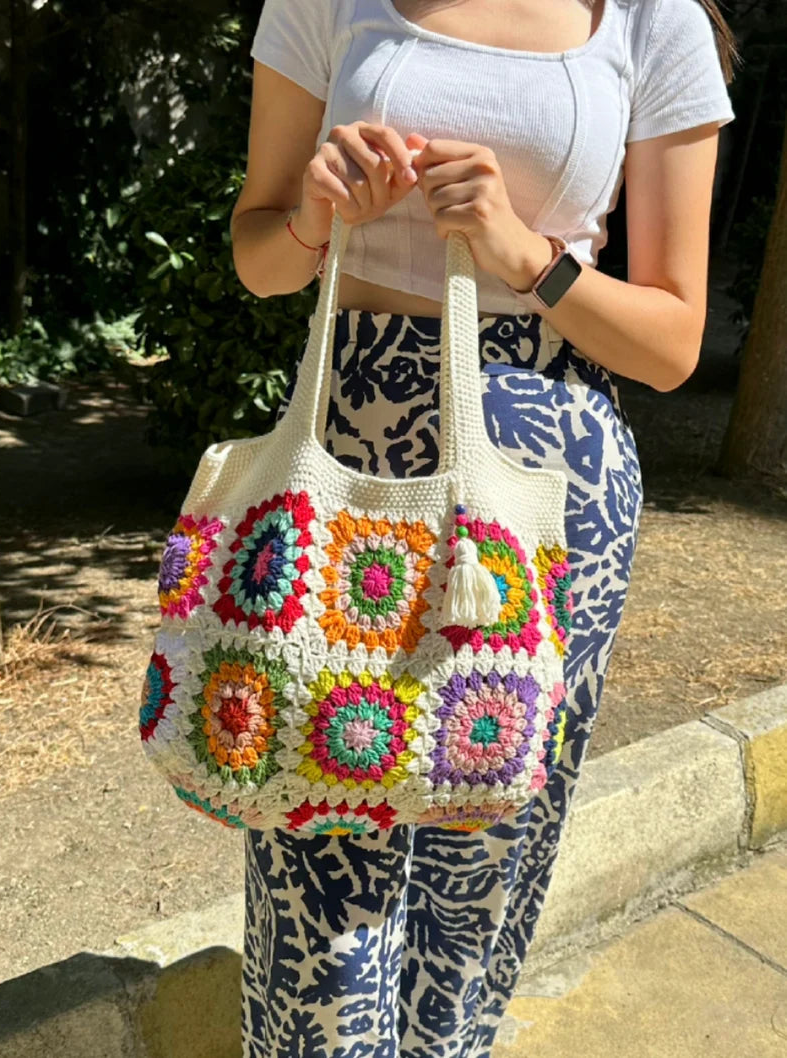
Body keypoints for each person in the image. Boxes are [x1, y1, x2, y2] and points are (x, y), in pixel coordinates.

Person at [229, 1, 737, 1054]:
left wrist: (525, 253)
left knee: (480, 853)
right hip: (349, 466)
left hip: (547, 498)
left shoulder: (650, 23)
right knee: (315, 826)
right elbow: (258, 257)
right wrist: (316, 219)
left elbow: (672, 341)